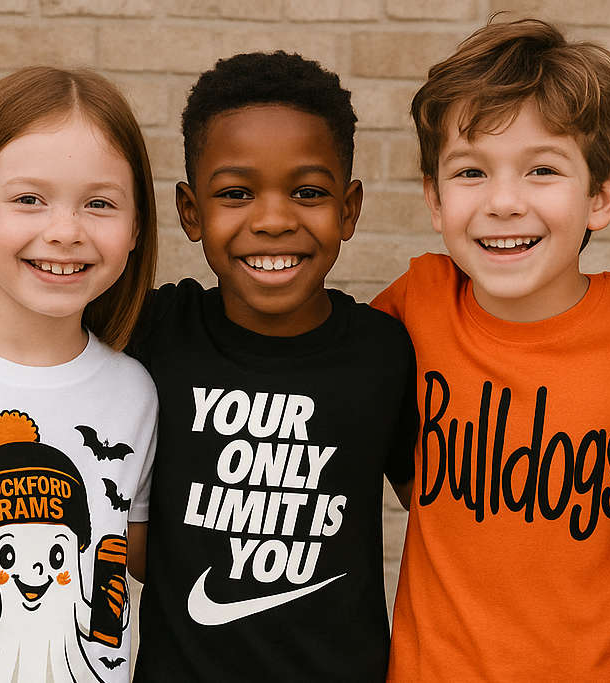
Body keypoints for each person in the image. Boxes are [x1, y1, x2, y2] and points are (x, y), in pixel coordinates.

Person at [371, 17, 610, 682]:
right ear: (434, 197)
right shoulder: (417, 302)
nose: (504, 202)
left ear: (600, 195)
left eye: (543, 169)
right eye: (471, 171)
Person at [128, 51, 418, 683]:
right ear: (190, 212)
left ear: (349, 210)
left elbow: (445, 525)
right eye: (236, 193)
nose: (273, 219)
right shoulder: (151, 334)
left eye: (307, 192)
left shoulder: (385, 354)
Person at [0, 66, 159, 683]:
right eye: (28, 199)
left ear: (135, 230)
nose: (65, 231)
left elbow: (129, 567)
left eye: (99, 203)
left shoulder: (134, 394)